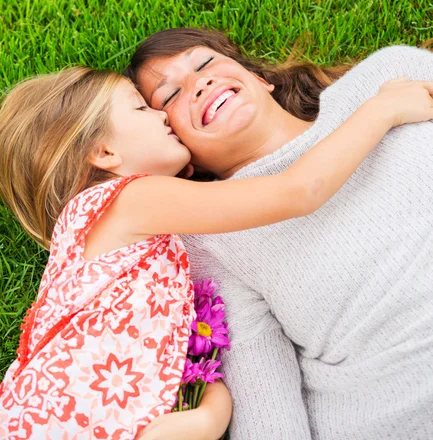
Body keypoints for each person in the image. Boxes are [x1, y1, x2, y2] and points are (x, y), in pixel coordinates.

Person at [0, 69, 426, 439]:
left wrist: (208, 416)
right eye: (140, 109)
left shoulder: (131, 245)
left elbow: (192, 358)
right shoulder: (130, 200)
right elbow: (298, 191)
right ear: (105, 153)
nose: (161, 114)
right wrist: (382, 110)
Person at [127, 28, 433, 440]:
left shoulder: (389, 78)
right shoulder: (213, 238)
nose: (200, 83)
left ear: (260, 78)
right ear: (179, 153)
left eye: (205, 63)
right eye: (170, 96)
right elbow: (266, 405)